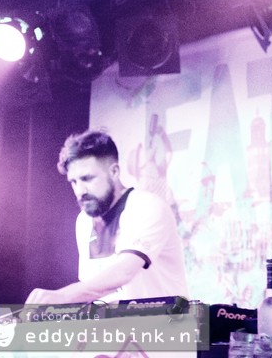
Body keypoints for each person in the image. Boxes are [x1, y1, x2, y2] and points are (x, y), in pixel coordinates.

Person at [25, 130, 188, 304]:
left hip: (168, 319)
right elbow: (93, 290)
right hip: (118, 322)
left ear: (114, 172)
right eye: (74, 182)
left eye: (87, 178)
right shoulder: (84, 221)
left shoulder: (147, 206)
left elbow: (124, 271)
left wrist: (63, 295)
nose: (80, 191)